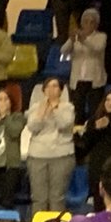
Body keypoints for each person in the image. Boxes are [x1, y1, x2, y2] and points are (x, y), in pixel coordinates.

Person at [27, 78, 76, 213]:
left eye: (55, 86)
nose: (51, 89)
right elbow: (32, 127)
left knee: (57, 198)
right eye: (48, 86)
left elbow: (64, 124)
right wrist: (41, 114)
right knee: (39, 198)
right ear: (43, 91)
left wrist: (55, 109)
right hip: (37, 156)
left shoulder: (68, 107)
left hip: (61, 155)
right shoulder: (36, 107)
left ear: (60, 90)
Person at [82, 88, 111, 213]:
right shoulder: (94, 119)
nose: (110, 103)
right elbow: (86, 144)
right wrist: (95, 129)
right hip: (97, 166)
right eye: (108, 100)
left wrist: (110, 126)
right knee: (99, 201)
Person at [64, 10, 107, 124]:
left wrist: (83, 39)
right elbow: (63, 51)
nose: (88, 24)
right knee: (77, 109)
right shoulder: (76, 37)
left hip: (95, 80)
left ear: (96, 25)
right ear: (81, 23)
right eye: (86, 21)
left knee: (94, 110)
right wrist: (71, 40)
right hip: (78, 79)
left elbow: (97, 48)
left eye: (92, 22)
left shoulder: (101, 36)